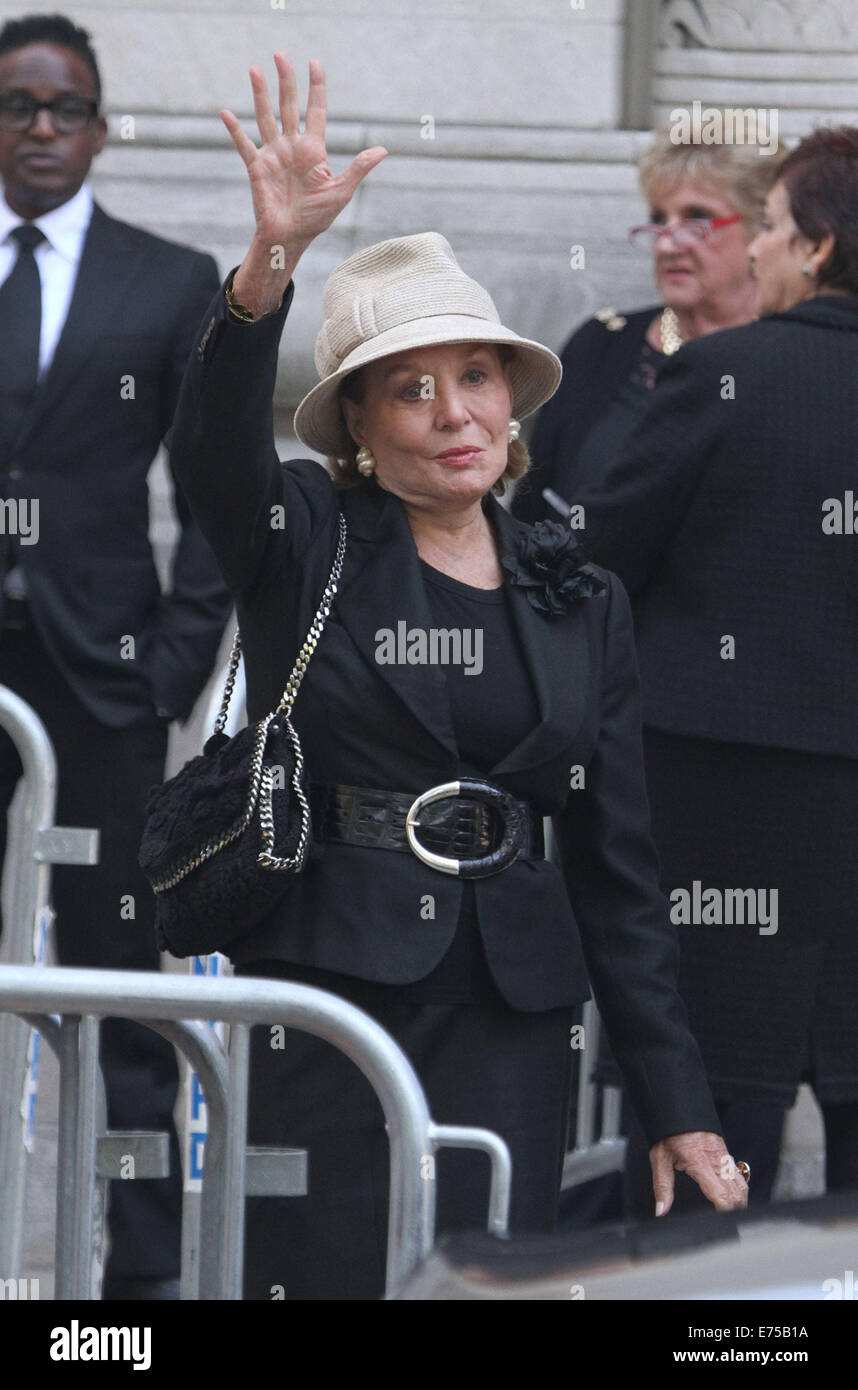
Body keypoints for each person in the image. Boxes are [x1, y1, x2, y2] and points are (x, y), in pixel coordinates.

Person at [169, 53, 748, 1301]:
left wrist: (676, 1105)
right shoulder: (309, 544)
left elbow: (619, 869)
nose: (454, 413)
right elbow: (212, 452)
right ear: (360, 430)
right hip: (332, 998)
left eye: (475, 376)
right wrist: (268, 265)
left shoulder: (576, 592)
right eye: (411, 390)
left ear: (514, 402)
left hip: (517, 1011)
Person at [568, 125, 858, 1217]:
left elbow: (597, 560)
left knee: (702, 1160)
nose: (770, 250)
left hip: (719, 827)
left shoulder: (725, 371)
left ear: (819, 248)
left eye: (774, 228)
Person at [0, 14, 231, 1298]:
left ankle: (137, 1291)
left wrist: (174, 666)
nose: (43, 130)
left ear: (99, 124)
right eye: (19, 107)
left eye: (66, 108)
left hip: (103, 684)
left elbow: (214, 494)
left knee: (122, 995)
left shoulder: (168, 277)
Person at [512, 127, 784, 527]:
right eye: (659, 220)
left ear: (763, 229)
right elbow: (531, 517)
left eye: (698, 219)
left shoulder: (800, 359)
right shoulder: (599, 345)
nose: (667, 244)